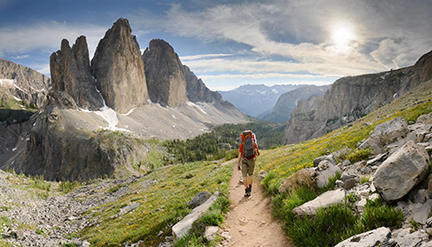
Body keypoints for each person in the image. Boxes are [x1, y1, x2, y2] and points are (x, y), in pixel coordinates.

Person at [237, 131, 259, 197]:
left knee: (244, 177)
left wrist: (238, 163)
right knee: (250, 175)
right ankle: (249, 187)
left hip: (244, 160)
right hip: (251, 160)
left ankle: (247, 189)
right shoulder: (253, 143)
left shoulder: (242, 144)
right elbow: (256, 152)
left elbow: (240, 154)